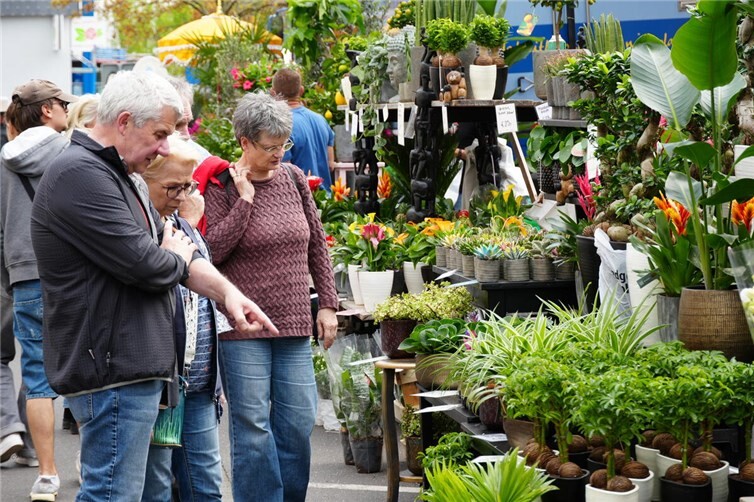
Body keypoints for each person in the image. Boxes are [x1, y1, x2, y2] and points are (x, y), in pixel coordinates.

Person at [29, 71, 277, 502]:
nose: (166, 146)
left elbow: (176, 256)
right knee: (112, 495)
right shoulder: (80, 174)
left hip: (129, 370)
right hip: (112, 372)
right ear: (124, 121)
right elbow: (151, 264)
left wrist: (229, 295)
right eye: (160, 133)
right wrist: (175, 258)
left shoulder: (117, 173)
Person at [202, 92, 339, 502]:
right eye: (270, 146)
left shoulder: (295, 178)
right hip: (243, 326)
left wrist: (328, 305)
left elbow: (317, 245)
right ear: (245, 142)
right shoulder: (221, 185)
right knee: (253, 427)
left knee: (298, 420)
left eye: (284, 144)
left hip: (294, 320)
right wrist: (244, 201)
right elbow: (211, 252)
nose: (279, 153)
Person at [1, 79, 76, 501]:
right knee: (86, 366)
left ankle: (47, 474)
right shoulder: (70, 153)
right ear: (47, 110)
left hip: (25, 275)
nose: (67, 109)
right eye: (62, 103)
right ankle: (92, 457)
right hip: (70, 273)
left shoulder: (3, 159)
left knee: (37, 374)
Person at [140, 135, 224, 501]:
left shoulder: (183, 223)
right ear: (143, 178)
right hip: (160, 383)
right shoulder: (139, 228)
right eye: (173, 186)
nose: (183, 194)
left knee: (206, 486)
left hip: (199, 382)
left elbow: (203, 304)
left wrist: (216, 381)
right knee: (156, 486)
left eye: (188, 185)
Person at [271, 67, 335, 190]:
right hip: (326, 201)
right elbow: (330, 163)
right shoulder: (320, 120)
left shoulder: (282, 125)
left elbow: (285, 171)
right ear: (301, 91)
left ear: (273, 93)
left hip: (300, 202)